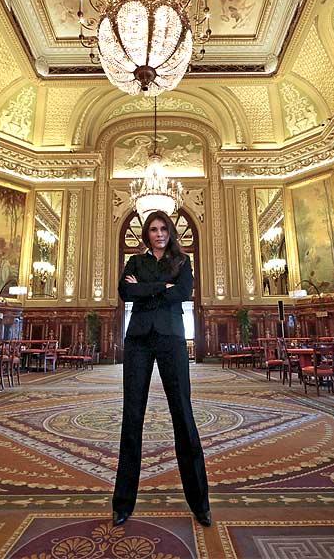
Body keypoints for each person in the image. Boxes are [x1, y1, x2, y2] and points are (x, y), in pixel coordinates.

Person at [112, 210, 211, 527]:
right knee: (132, 416)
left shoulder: (183, 263)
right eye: (153, 229)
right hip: (139, 340)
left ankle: (200, 503)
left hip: (171, 339)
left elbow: (183, 293)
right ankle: (123, 503)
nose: (158, 233)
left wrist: (147, 287)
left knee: (182, 413)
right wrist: (160, 287)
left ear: (170, 231)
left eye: (163, 228)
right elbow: (125, 292)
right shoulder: (135, 262)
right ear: (147, 234)